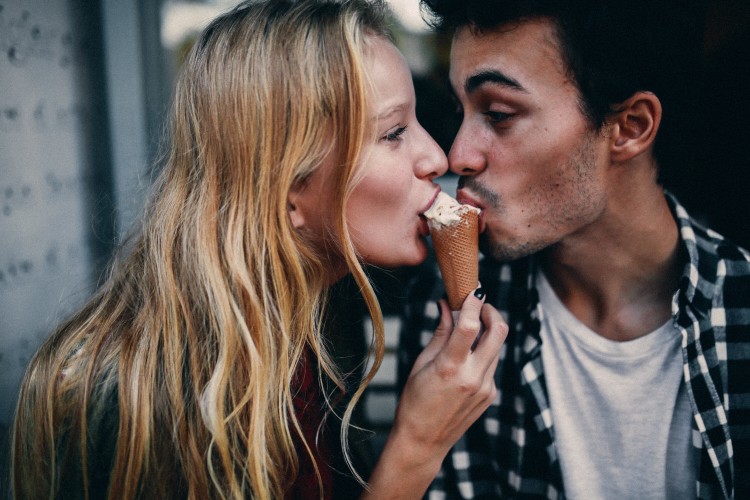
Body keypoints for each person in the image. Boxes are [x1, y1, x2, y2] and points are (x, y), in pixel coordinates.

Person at [10, 0, 509, 498]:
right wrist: (417, 446)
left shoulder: (317, 324)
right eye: (394, 132)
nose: (437, 157)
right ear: (288, 188)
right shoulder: (123, 399)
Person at [399, 0, 750, 498]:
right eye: (461, 112)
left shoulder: (739, 312)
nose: (458, 154)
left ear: (630, 127)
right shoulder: (454, 307)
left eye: (498, 114)